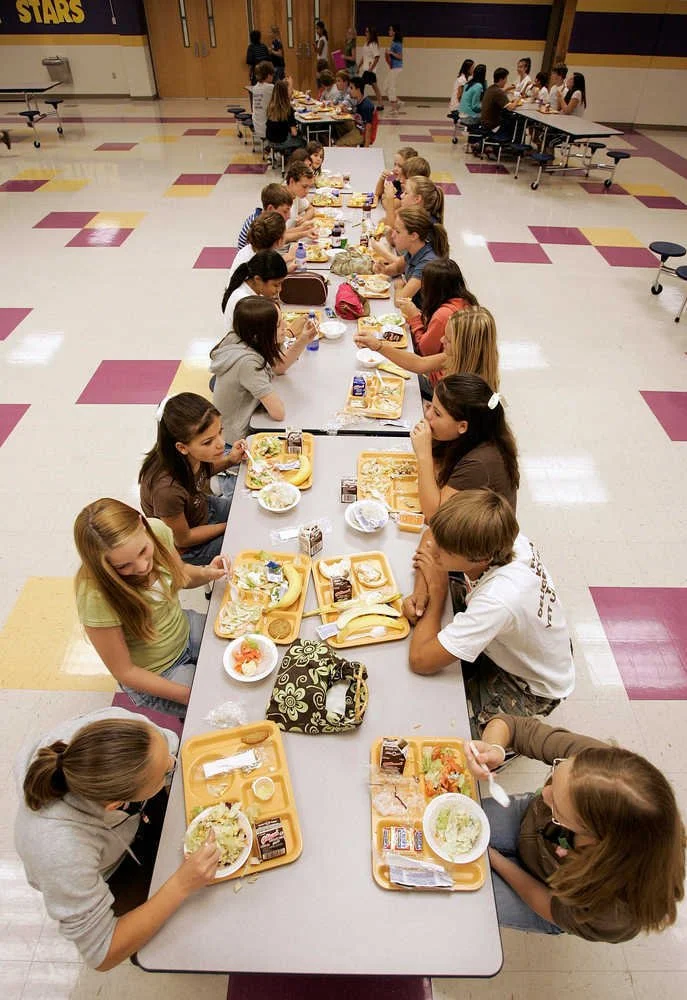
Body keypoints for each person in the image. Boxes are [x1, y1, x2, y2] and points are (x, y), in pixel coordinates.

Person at [14, 707, 221, 970]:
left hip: (131, 817)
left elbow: (166, 753)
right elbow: (102, 952)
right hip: (112, 869)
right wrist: (181, 884)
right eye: (164, 774)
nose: (174, 765)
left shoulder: (118, 727)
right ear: (116, 804)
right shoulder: (59, 851)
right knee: (181, 924)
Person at [464, 715, 685, 941]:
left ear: (596, 843)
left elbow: (550, 905)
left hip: (546, 897)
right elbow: (514, 726)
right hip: (530, 826)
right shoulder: (599, 767)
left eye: (557, 809)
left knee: (463, 897)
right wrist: (494, 749)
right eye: (555, 775)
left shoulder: (617, 911)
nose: (544, 793)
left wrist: (493, 858)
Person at [405, 489, 575, 736]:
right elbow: (431, 535)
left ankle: (517, 734)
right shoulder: (501, 536)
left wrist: (437, 589)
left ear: (480, 557)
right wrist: (422, 590)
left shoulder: (498, 599)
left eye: (447, 552)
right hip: (532, 640)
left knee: (449, 731)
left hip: (528, 685)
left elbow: (420, 660)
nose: (436, 550)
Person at [74, 499, 227, 715]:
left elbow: (179, 574)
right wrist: (190, 696)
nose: (143, 566)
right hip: (159, 672)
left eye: (143, 551)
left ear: (142, 523)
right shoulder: (95, 596)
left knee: (241, 644)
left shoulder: (157, 531)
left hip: (183, 627)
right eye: (123, 566)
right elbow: (125, 671)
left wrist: (206, 572)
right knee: (217, 703)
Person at [139, 394, 245, 564]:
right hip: (189, 548)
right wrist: (229, 525)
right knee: (244, 539)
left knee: (248, 508)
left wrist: (230, 459)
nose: (220, 444)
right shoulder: (167, 490)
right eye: (208, 442)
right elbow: (183, 539)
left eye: (220, 431)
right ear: (182, 447)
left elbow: (203, 472)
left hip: (201, 507)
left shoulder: (191, 456)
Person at [409, 374, 519, 519]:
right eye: (430, 406)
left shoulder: (479, 463)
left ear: (462, 426)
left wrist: (424, 456)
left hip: (477, 538)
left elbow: (435, 517)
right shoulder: (463, 435)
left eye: (437, 413)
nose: (428, 415)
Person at [211, 296, 317, 443]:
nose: (286, 326)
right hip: (234, 441)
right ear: (260, 334)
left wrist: (304, 339)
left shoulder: (242, 336)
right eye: (279, 325)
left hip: (235, 424)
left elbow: (278, 367)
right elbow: (278, 413)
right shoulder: (247, 363)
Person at [355, 303, 497, 396]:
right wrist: (378, 346)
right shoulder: (460, 356)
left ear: (464, 347)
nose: (442, 340)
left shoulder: (468, 391)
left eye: (448, 339)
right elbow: (420, 364)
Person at [374, 206, 450, 308]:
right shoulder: (414, 250)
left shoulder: (427, 263)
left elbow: (400, 302)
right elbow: (397, 268)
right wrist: (383, 269)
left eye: (398, 231)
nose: (392, 235)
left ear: (413, 236)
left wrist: (399, 286)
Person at [221, 248, 287, 332]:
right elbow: (263, 340)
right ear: (258, 279)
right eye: (276, 285)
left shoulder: (251, 287)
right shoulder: (245, 302)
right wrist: (291, 332)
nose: (280, 289)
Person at [229, 212, 296, 281]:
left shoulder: (249, 250)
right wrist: (286, 271)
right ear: (280, 241)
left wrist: (287, 262)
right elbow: (269, 283)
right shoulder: (258, 263)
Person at [236, 181, 293, 250]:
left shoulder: (267, 220)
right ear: (270, 208)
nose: (289, 216)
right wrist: (290, 255)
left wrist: (303, 231)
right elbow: (263, 259)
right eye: (285, 211)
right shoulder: (261, 227)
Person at [266, 79, 305, 154]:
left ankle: (285, 156)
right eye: (290, 90)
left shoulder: (270, 106)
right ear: (285, 92)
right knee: (303, 142)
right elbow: (294, 133)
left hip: (270, 140)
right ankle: (295, 162)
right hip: (282, 141)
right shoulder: (287, 108)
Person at [335, 76, 375, 147]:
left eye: (351, 88)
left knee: (339, 143)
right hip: (357, 127)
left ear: (358, 90)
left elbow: (368, 129)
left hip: (361, 133)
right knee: (338, 126)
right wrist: (348, 112)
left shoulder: (366, 106)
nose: (349, 90)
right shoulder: (359, 101)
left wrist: (365, 149)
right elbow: (358, 116)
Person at [480, 67, 518, 131]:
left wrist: (507, 89)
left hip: (484, 122)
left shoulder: (491, 88)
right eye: (506, 78)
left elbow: (500, 93)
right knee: (516, 120)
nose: (506, 81)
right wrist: (517, 100)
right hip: (492, 125)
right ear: (501, 79)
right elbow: (511, 108)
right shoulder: (498, 92)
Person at [247, 60, 275, 141]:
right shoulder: (270, 87)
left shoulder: (255, 88)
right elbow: (285, 98)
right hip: (266, 128)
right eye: (272, 74)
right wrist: (290, 84)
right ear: (268, 75)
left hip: (257, 126)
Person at [357, 26, 383, 109]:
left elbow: (377, 57)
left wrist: (371, 69)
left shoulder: (373, 44)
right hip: (366, 69)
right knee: (374, 87)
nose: (366, 33)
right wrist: (358, 66)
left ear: (371, 33)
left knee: (361, 85)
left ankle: (360, 101)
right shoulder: (366, 43)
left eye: (367, 32)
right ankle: (380, 104)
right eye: (365, 31)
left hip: (369, 70)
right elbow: (363, 56)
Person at [284, 160, 316, 226]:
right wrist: (303, 231)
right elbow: (281, 235)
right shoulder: (279, 201)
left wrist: (304, 219)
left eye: (309, 187)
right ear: (292, 181)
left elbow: (311, 209)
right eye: (304, 187)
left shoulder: (295, 194)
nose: (307, 191)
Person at [385, 24, 403, 113]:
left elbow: (400, 57)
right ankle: (397, 102)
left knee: (391, 87)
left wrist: (391, 52)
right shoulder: (393, 42)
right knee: (386, 87)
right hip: (393, 67)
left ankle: (394, 107)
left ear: (395, 32)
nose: (389, 31)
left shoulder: (397, 43)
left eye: (390, 30)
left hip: (397, 67)